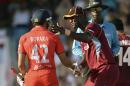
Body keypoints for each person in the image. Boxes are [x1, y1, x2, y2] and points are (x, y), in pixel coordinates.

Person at [50, 2, 119, 86]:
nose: (71, 21)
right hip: (97, 71)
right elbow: (86, 58)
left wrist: (65, 31)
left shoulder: (93, 26)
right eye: (70, 18)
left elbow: (87, 37)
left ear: (81, 17)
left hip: (106, 69)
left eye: (73, 18)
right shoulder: (82, 35)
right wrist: (80, 67)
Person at [17, 9, 80, 86]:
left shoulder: (24, 38)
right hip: (49, 77)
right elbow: (64, 61)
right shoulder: (53, 37)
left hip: (32, 78)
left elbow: (20, 65)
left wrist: (24, 76)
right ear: (46, 22)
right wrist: (74, 67)